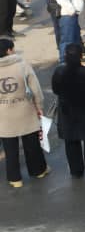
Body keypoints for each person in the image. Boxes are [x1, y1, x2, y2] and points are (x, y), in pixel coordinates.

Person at [52, 43, 85, 178]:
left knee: (71, 142)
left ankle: (76, 171)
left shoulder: (59, 72)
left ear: (65, 56)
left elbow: (56, 90)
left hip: (67, 112)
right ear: (81, 56)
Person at [0, 38, 49, 188]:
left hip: (4, 115)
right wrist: (39, 106)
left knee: (10, 148)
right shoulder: (22, 65)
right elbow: (36, 89)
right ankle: (38, 170)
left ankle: (15, 179)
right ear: (9, 50)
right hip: (25, 110)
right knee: (31, 143)